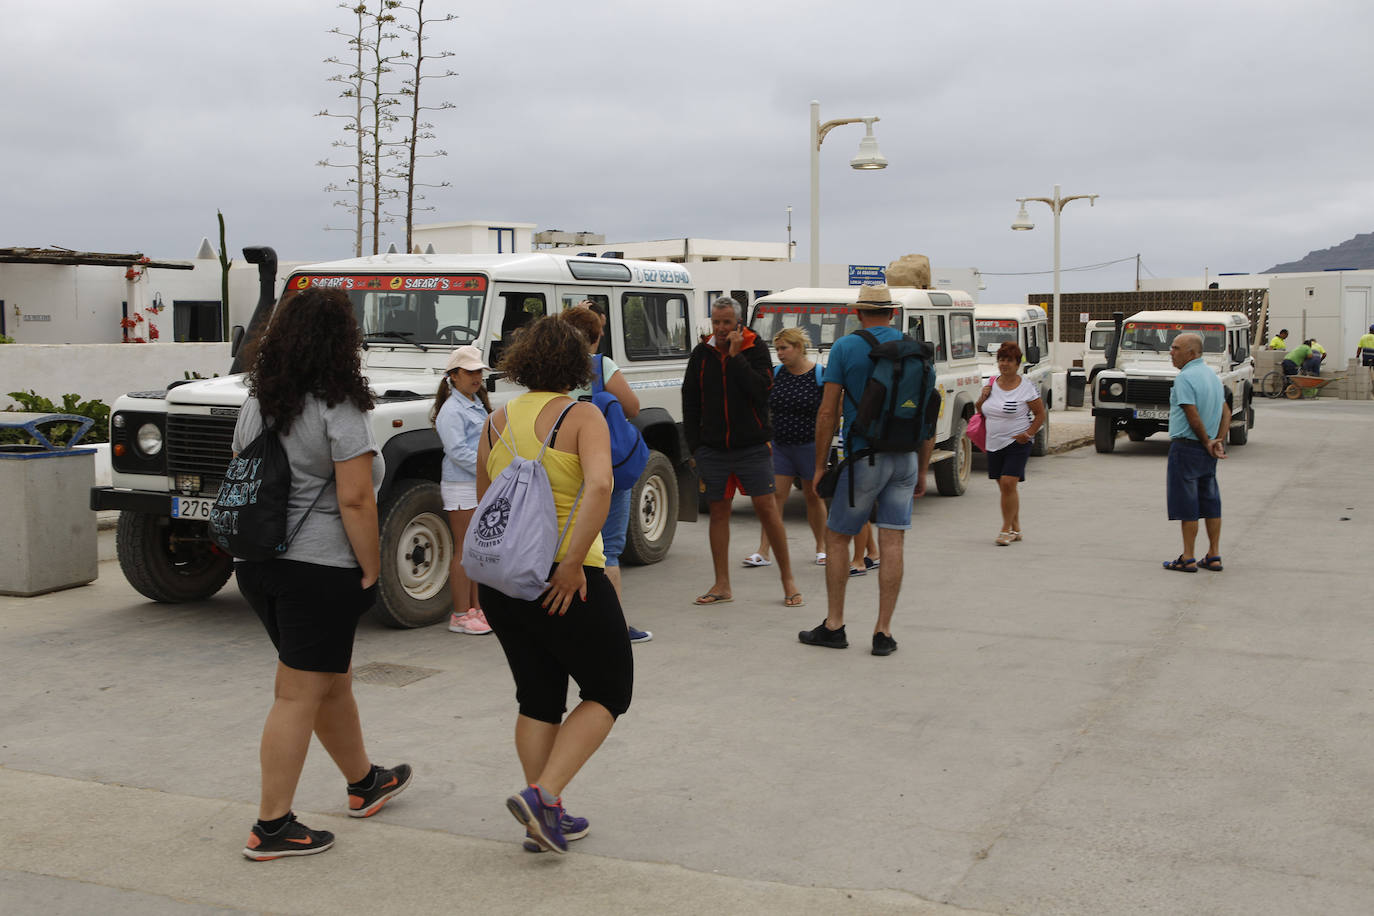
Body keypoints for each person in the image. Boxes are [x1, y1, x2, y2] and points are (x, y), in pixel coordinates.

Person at [233, 287, 410, 861]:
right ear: (343, 343)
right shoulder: (340, 406)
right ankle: (273, 826)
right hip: (319, 567)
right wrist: (373, 568)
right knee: (296, 695)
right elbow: (357, 500)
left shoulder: (257, 401)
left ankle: (366, 782)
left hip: (259, 564)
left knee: (330, 680)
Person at [478, 316, 630, 855]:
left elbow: (487, 504)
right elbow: (601, 485)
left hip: (504, 582)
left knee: (538, 696)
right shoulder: (582, 414)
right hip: (568, 578)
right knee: (610, 691)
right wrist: (568, 564)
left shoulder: (494, 421)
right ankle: (544, 796)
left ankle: (542, 819)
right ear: (576, 364)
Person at [800, 285, 935, 656]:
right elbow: (927, 416)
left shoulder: (845, 348)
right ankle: (883, 632)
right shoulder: (917, 352)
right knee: (892, 540)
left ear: (858, 313)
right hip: (906, 457)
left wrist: (818, 465)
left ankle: (834, 625)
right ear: (891, 313)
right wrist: (923, 469)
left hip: (865, 459)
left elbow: (828, 411)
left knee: (838, 536)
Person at [681, 296, 801, 607]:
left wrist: (736, 358)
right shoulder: (701, 354)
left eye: (726, 323)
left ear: (738, 323)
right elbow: (690, 401)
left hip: (752, 447)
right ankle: (722, 584)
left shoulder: (755, 348)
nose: (720, 329)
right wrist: (695, 446)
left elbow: (762, 390)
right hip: (713, 449)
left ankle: (788, 581)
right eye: (716, 322)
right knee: (719, 513)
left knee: (767, 510)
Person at [560, 305, 652, 644]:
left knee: (568, 543)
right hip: (603, 464)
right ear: (597, 337)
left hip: (566, 465)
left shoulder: (555, 371)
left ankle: (571, 621)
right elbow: (632, 407)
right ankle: (615, 628)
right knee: (609, 547)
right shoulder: (599, 365)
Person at [744, 327, 827, 570]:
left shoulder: (820, 375)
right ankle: (763, 551)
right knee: (774, 498)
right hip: (780, 445)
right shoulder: (776, 374)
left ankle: (821, 547)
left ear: (799, 348)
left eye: (784, 348)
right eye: (777, 349)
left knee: (813, 496)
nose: (779, 354)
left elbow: (831, 410)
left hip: (810, 446)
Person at [433, 345, 494, 636]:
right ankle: (460, 614)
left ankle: (476, 610)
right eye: (469, 372)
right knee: (463, 550)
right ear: (454, 376)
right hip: (461, 485)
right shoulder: (452, 409)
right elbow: (457, 451)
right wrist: (489, 469)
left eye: (478, 371)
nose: (476, 377)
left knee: (476, 550)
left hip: (475, 484)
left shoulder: (473, 402)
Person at [1162, 332, 1228, 573]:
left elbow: (1192, 415)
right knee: (1211, 501)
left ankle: (1188, 556)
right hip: (1206, 450)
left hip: (1188, 446)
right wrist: (1218, 440)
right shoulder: (1212, 376)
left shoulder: (1185, 378)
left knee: (1187, 502)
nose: (1171, 352)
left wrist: (1207, 440)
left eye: (1176, 348)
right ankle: (1214, 554)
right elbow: (1227, 412)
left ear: (1192, 353)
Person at [974, 341, 1046, 546]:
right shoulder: (991, 383)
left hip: (1017, 442)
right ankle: (1016, 527)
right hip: (994, 442)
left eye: (1009, 360)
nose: (1004, 364)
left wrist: (1029, 433)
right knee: (1005, 488)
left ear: (1017, 364)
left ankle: (1005, 530)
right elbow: (980, 410)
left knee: (1008, 483)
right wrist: (982, 398)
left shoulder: (1026, 387)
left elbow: (1040, 414)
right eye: (1001, 360)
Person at [1357, 324, 1374, 394]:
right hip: (1373, 358)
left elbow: (1359, 348)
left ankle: (1365, 388)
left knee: (1366, 374)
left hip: (1366, 359)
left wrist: (1357, 357)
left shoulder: (1363, 337)